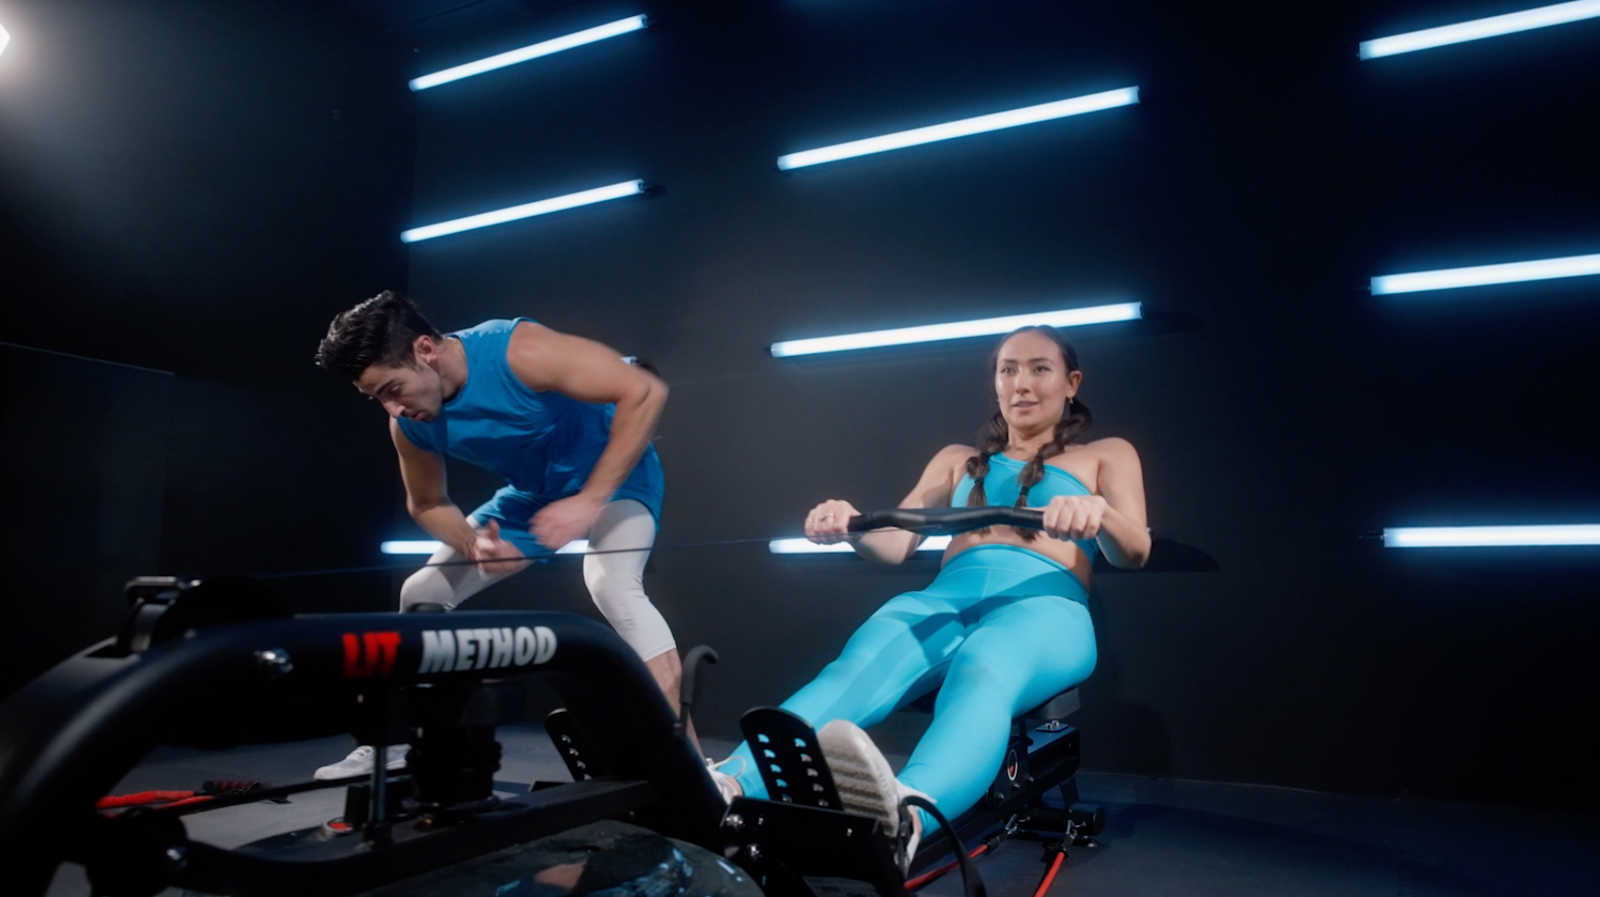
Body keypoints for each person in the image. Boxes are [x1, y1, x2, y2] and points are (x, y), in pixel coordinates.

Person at [709, 325, 1149, 870]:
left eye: (1039, 368)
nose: (1022, 384)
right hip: (946, 598)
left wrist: (1100, 516)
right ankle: (731, 780)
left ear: (1071, 382)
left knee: (986, 661)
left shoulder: (1105, 455)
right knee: (863, 661)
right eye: (1008, 370)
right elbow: (894, 546)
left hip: (1046, 608)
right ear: (995, 384)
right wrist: (849, 527)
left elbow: (1136, 550)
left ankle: (908, 815)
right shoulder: (957, 460)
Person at [311, 291, 677, 778]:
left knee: (611, 582)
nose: (393, 409)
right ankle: (396, 742)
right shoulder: (409, 425)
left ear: (426, 350)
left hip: (616, 476)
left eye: (393, 388)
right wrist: (472, 543)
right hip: (533, 496)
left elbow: (645, 390)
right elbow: (428, 503)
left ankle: (683, 751)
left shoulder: (518, 350)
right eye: (377, 397)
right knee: (421, 592)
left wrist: (588, 501)